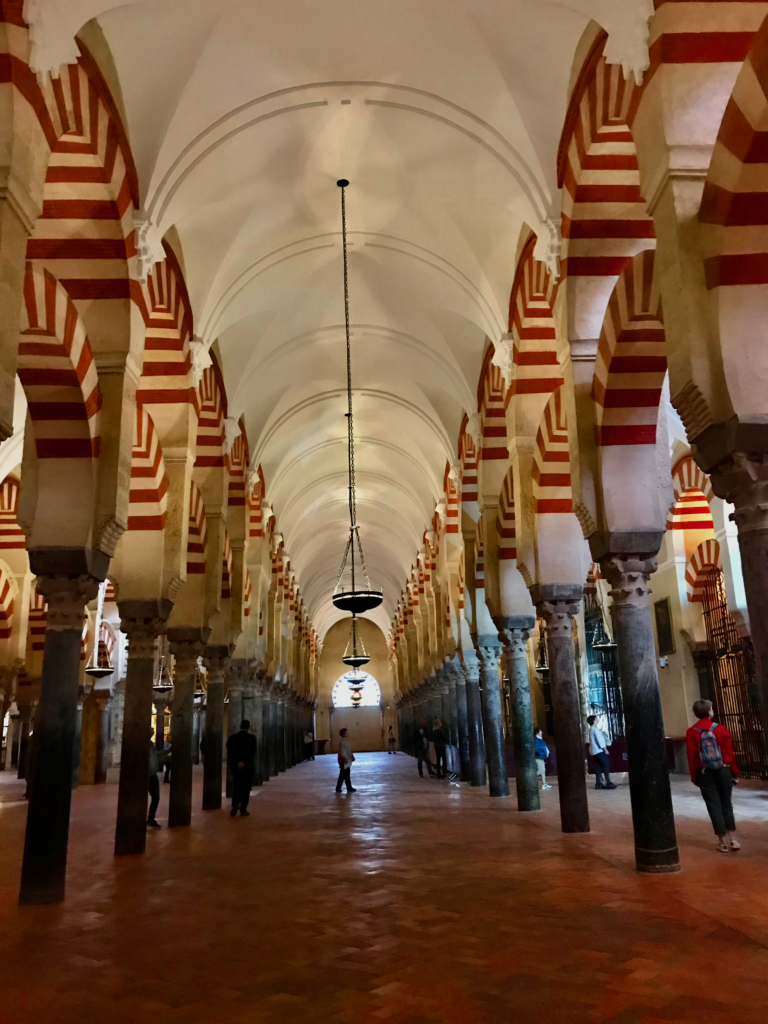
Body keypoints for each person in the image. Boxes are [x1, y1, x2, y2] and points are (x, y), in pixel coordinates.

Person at [686, 699, 740, 852]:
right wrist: (734, 772)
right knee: (726, 803)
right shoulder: (720, 729)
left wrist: (694, 776)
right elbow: (729, 753)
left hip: (704, 772)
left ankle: (722, 842)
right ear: (709, 712)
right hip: (723, 770)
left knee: (713, 805)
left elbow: (691, 756)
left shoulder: (692, 732)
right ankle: (733, 840)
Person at [226, 719, 257, 817]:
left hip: (236, 767)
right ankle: (243, 810)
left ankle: (235, 803)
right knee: (246, 788)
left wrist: (237, 762)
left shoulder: (232, 738)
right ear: (248, 727)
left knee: (237, 785)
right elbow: (253, 752)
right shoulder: (252, 738)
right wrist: (244, 762)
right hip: (247, 767)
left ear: (240, 726)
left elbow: (229, 751)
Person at [587, 715, 616, 790]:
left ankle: (598, 783)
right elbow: (599, 740)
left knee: (599, 766)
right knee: (606, 764)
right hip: (599, 750)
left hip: (594, 751)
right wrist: (605, 749)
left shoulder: (591, 729)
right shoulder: (595, 730)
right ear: (594, 720)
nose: (598, 720)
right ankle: (608, 782)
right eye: (596, 718)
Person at [336, 728, 356, 793]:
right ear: (343, 734)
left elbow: (348, 750)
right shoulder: (342, 741)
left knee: (347, 773)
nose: (348, 733)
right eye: (346, 732)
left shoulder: (345, 741)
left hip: (347, 759)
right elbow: (341, 752)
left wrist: (351, 756)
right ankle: (338, 788)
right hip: (343, 760)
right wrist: (345, 758)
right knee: (342, 774)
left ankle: (349, 787)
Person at [148, 736, 161, 828]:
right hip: (146, 776)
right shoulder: (143, 744)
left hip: (153, 776)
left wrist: (168, 751)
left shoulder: (151, 744)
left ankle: (151, 818)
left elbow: (156, 754)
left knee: (156, 797)